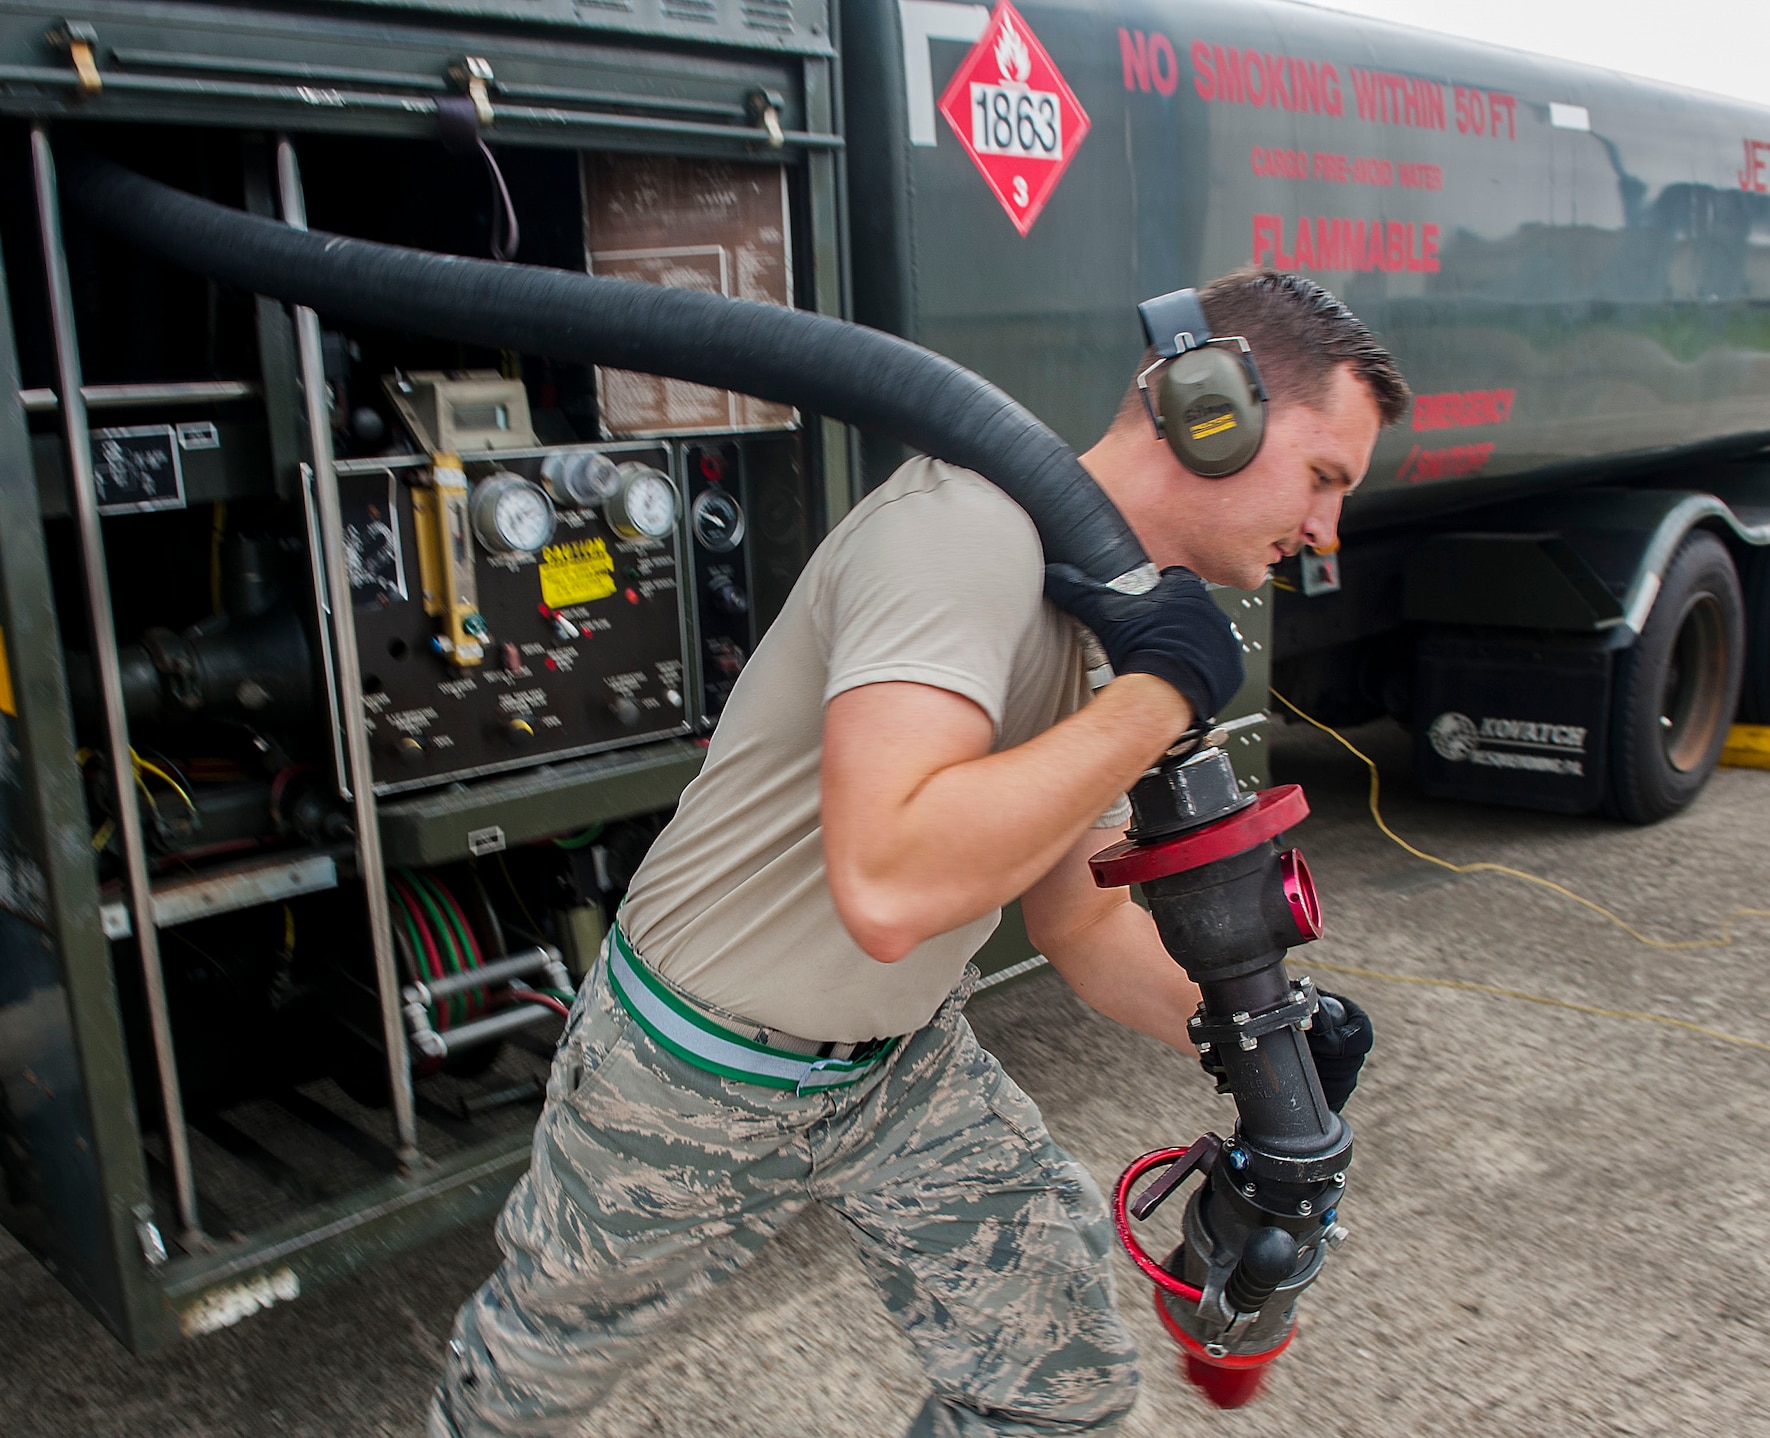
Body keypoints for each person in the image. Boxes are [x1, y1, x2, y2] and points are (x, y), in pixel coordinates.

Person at [429, 268, 1410, 1437]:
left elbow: (1077, 920)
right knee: (533, 1374)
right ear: (1217, 408)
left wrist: (1260, 1045)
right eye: (1322, 477)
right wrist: (1155, 701)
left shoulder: (1118, 621)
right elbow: (889, 885)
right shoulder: (966, 534)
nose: (1322, 532)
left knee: (1054, 1388)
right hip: (688, 1075)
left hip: (891, 1066)